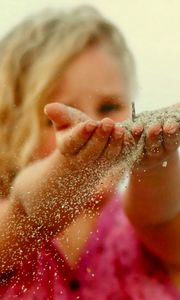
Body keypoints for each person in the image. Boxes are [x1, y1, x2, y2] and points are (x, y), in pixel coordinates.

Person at [0, 5, 180, 300]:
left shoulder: (146, 228)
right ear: (12, 129)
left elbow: (158, 217)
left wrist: (152, 160)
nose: (97, 126)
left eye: (109, 107)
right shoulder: (10, 229)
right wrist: (71, 169)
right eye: (53, 120)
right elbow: (26, 211)